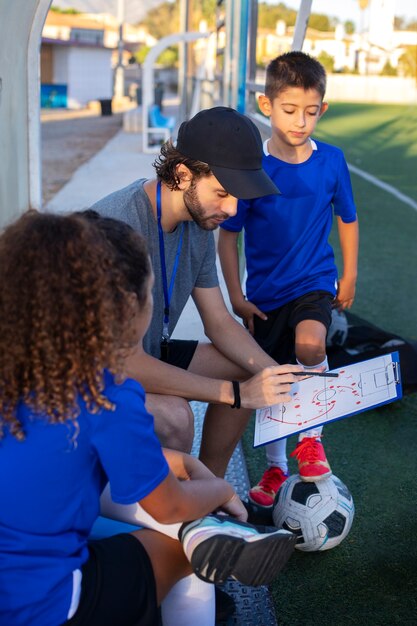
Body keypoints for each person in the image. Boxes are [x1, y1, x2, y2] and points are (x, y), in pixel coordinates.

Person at [0, 211, 297, 626]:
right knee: (188, 554)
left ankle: (209, 532)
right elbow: (170, 503)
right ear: (128, 308)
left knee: (169, 513)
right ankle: (208, 534)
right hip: (40, 606)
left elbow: (62, 458)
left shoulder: (22, 366)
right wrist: (218, 489)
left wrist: (183, 463)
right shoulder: (106, 394)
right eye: (151, 291)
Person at [92, 105, 306, 479]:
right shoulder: (117, 227)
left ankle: (212, 495)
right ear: (181, 174)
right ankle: (170, 522)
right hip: (90, 376)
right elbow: (123, 363)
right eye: (222, 193)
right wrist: (235, 395)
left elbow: (220, 321)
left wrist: (274, 374)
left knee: (247, 367)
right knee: (176, 418)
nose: (232, 208)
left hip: (144, 352)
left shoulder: (198, 221)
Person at [218, 51, 359, 509]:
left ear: (324, 109)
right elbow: (228, 238)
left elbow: (348, 220)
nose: (301, 121)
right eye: (289, 109)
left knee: (311, 348)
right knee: (275, 378)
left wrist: (350, 275)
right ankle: (277, 466)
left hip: (315, 283)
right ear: (266, 105)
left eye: (311, 111)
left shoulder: (333, 161)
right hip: (263, 297)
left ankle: (312, 441)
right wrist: (236, 296)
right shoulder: (253, 169)